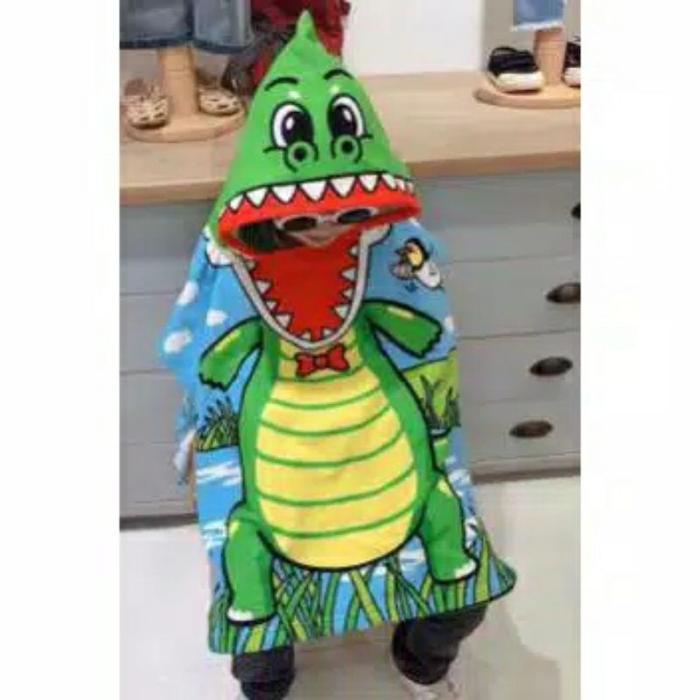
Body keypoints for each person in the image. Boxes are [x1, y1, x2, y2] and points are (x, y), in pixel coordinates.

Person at [160, 12, 515, 699]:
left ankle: (420, 663)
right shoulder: (228, 254)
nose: (325, 225)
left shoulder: (391, 239)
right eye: (304, 216)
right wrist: (202, 446)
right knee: (253, 627)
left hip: (378, 438)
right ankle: (269, 686)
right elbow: (202, 356)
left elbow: (427, 333)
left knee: (464, 598)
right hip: (280, 447)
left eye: (344, 213)